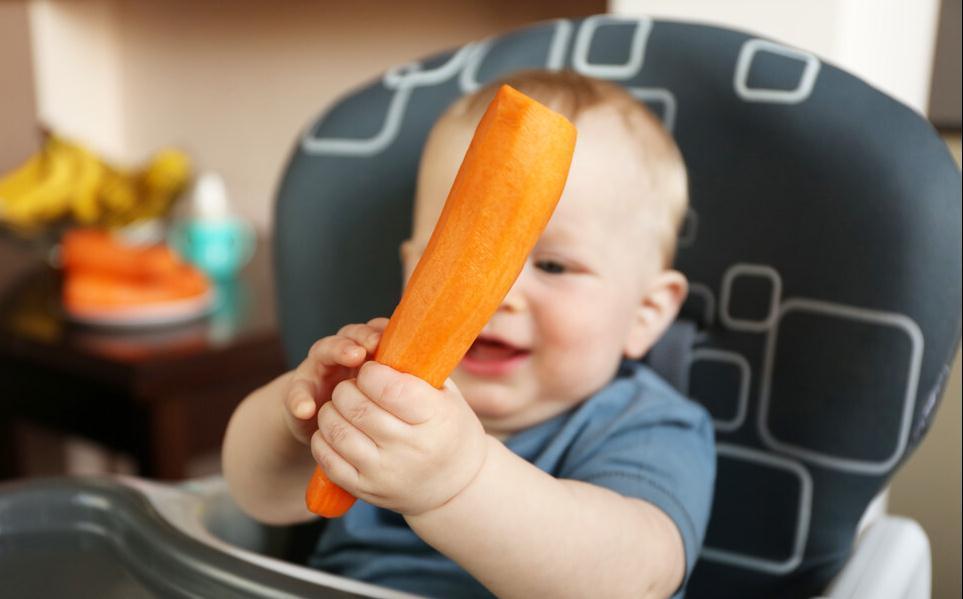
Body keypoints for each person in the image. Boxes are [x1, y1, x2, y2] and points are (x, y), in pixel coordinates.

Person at [223, 70, 715, 599]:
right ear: (414, 266)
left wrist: (458, 483)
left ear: (646, 313)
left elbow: (629, 581)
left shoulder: (649, 428)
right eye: (461, 252)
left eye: (552, 266)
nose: (500, 293)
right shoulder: (375, 392)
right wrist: (301, 423)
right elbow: (254, 495)